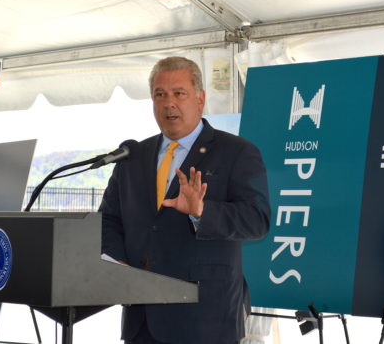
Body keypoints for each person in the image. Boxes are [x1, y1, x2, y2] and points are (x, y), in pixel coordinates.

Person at [100, 56, 271, 344]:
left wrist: (202, 212)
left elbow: (258, 219)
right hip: (141, 320)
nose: (169, 103)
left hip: (205, 319)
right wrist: (119, 265)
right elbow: (107, 220)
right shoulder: (132, 157)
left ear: (200, 98)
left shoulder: (237, 152)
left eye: (179, 93)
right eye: (160, 95)